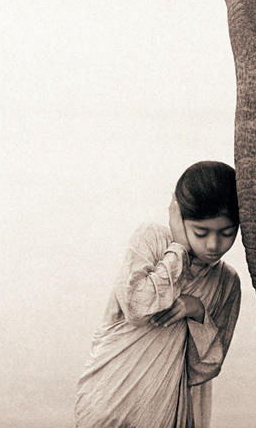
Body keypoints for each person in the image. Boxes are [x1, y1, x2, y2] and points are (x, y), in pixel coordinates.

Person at [75, 161, 242, 428]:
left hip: (166, 410)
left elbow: (205, 368)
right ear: (179, 218)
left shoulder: (226, 282)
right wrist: (177, 250)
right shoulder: (151, 240)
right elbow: (136, 307)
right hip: (109, 398)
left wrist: (197, 311)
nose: (214, 245)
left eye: (226, 233)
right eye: (201, 232)